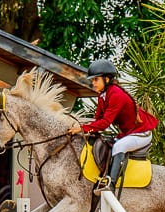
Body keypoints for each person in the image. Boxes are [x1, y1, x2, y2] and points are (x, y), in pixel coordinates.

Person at [67, 60, 159, 193]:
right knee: (106, 143)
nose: (93, 83)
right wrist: (85, 130)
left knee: (119, 146)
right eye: (92, 80)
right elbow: (98, 119)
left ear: (107, 79)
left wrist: (82, 128)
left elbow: (105, 123)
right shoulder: (103, 95)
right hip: (129, 133)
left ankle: (111, 184)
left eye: (96, 80)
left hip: (142, 133)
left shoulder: (116, 94)